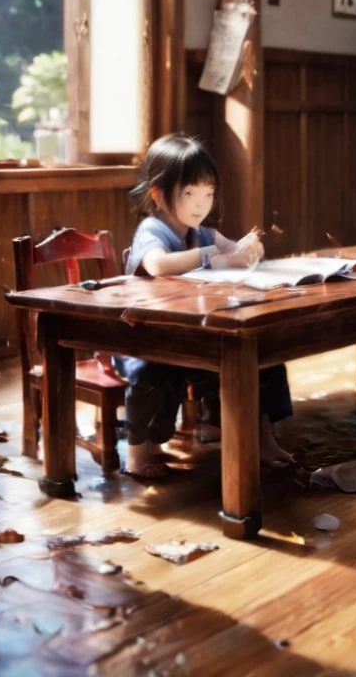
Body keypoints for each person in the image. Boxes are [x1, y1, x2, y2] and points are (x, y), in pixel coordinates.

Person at [116, 133, 294, 479]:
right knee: (151, 371)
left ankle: (261, 436)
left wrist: (247, 250)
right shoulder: (151, 230)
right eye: (189, 193)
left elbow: (234, 253)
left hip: (194, 332)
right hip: (145, 336)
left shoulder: (203, 231)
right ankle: (138, 451)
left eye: (208, 193)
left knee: (264, 357)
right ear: (158, 193)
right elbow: (156, 265)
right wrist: (214, 255)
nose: (201, 203)